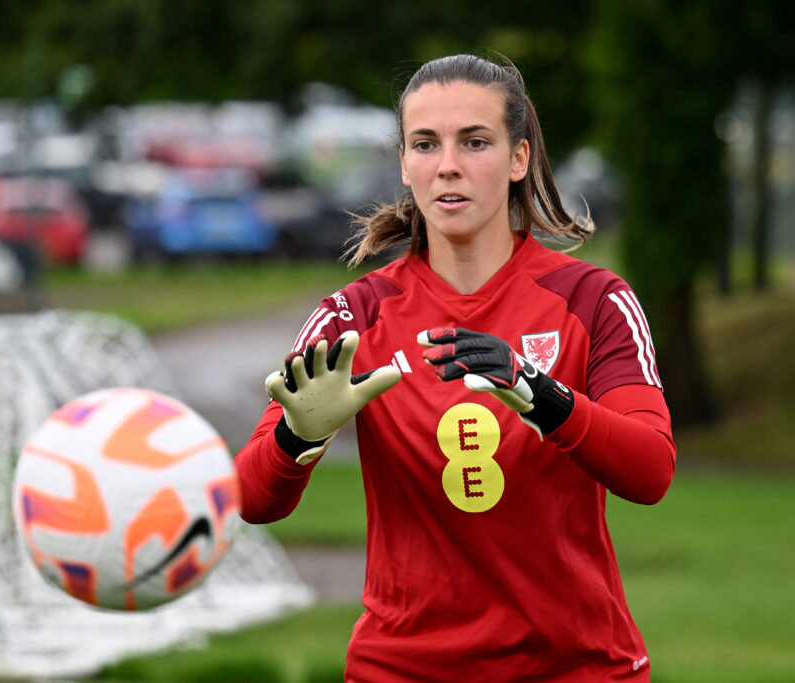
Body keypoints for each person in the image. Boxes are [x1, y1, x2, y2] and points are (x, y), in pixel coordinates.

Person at [233, 53, 676, 682]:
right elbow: (249, 499)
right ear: (406, 166)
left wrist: (540, 394)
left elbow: (651, 469)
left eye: (475, 141)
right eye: (425, 144)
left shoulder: (594, 300)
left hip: (575, 668)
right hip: (402, 669)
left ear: (519, 158)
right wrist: (295, 437)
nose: (448, 164)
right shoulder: (353, 317)